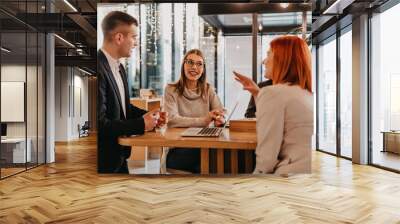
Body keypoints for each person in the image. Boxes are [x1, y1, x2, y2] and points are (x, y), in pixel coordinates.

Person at [97, 11, 166, 173]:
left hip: (120, 157)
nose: (136, 43)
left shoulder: (120, 68)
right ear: (119, 38)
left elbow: (122, 107)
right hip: (104, 161)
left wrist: (151, 116)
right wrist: (141, 124)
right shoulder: (98, 69)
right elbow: (100, 124)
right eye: (134, 37)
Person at [234, 35, 313, 175]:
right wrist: (258, 94)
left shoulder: (272, 93)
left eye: (268, 54)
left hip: (283, 179)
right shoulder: (306, 94)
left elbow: (266, 161)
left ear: (282, 60)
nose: (264, 61)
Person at [163, 49, 225, 173]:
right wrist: (203, 120)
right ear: (183, 65)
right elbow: (172, 120)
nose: (194, 67)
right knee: (211, 160)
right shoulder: (171, 90)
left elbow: (220, 111)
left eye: (199, 64)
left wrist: (219, 118)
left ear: (203, 69)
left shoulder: (208, 89)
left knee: (220, 157)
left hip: (202, 145)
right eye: (190, 62)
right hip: (179, 148)